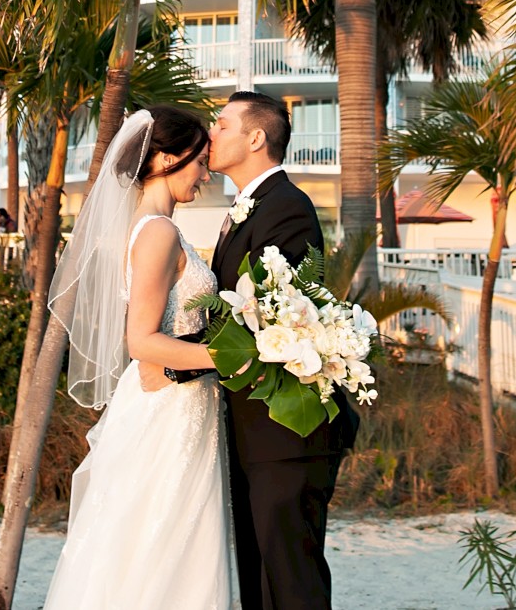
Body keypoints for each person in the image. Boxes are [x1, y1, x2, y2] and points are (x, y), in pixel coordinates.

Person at [43, 106, 231, 609]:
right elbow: (141, 341)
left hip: (179, 400)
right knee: (163, 544)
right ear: (166, 158)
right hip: (171, 407)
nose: (206, 174)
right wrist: (235, 356)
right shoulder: (157, 233)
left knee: (165, 542)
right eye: (199, 161)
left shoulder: (154, 227)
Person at [208, 91, 360, 610]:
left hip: (288, 432)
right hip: (256, 429)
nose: (211, 133)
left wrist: (175, 356)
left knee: (290, 581)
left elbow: (270, 316)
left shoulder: (286, 207)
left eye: (221, 124)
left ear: (255, 138)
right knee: (260, 578)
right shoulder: (247, 208)